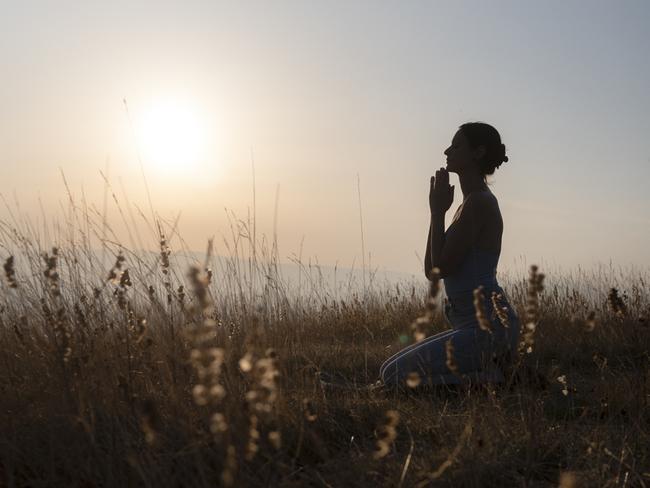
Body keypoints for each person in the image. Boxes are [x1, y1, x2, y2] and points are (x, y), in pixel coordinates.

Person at [380, 122, 520, 388]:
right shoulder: (466, 205)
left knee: (393, 376)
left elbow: (440, 269)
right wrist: (438, 212)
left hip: (488, 329)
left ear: (477, 153)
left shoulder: (479, 202)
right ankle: (490, 373)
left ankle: (493, 379)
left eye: (456, 146)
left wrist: (436, 212)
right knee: (388, 369)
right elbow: (431, 270)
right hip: (471, 328)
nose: (447, 150)